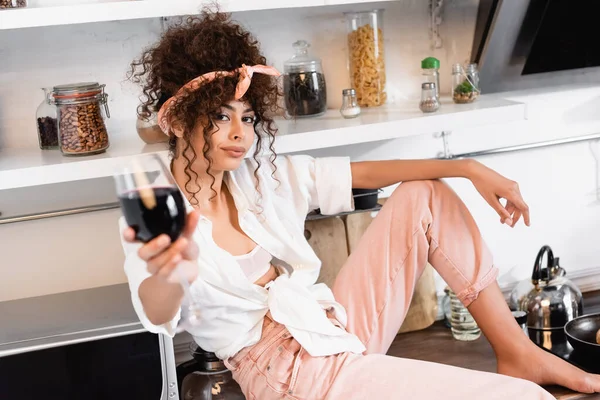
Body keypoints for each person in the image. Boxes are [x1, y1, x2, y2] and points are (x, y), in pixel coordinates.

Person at [121, 10, 600, 399]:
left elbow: (361, 174)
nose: (238, 133)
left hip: (330, 330)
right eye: (219, 116)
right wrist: (169, 271)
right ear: (178, 118)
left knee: (425, 194)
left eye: (247, 117)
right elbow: (156, 314)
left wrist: (469, 167)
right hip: (287, 376)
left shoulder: (259, 175)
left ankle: (516, 350)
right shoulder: (157, 207)